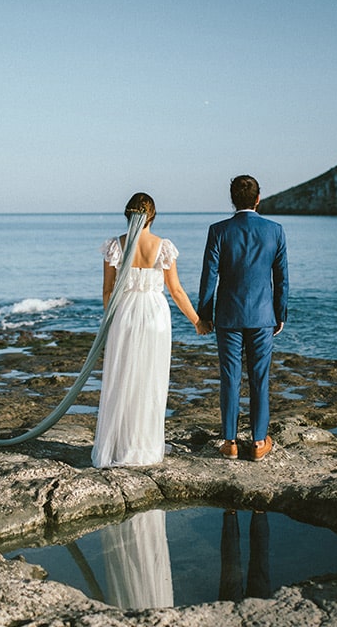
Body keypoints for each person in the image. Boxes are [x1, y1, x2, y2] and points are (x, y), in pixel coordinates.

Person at [92, 192, 200, 468]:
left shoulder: (116, 246)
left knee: (122, 379)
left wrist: (111, 321)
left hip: (124, 315)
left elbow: (107, 291)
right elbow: (176, 291)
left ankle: (118, 445)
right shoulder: (163, 247)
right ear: (153, 216)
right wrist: (197, 321)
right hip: (155, 317)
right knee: (150, 379)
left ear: (127, 215)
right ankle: (143, 446)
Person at [196, 175, 288, 461]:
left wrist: (204, 314)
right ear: (258, 199)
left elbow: (209, 277)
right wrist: (280, 313)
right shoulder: (275, 231)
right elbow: (281, 278)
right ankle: (259, 442)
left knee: (230, 378)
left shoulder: (218, 231)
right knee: (259, 378)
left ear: (233, 199)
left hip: (228, 316)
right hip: (263, 316)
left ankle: (230, 442)